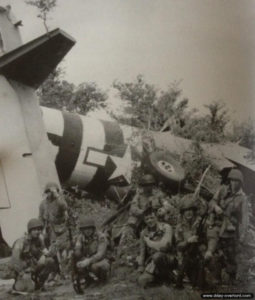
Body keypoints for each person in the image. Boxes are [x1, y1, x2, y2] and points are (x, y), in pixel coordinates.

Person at [206, 168, 248, 284]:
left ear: (240, 182)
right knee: (214, 251)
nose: (234, 183)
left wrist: (242, 236)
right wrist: (215, 207)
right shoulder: (222, 190)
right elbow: (212, 201)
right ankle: (216, 276)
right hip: (217, 225)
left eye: (236, 181)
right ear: (229, 180)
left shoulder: (242, 198)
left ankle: (232, 276)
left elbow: (244, 218)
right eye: (232, 180)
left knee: (230, 254)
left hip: (230, 229)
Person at [10, 218, 56, 294]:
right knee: (28, 289)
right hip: (23, 271)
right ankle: (19, 285)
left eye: (39, 229)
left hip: (33, 267)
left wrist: (52, 251)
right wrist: (22, 273)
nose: (38, 232)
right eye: (35, 230)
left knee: (50, 261)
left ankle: (39, 283)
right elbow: (15, 260)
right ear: (30, 231)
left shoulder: (39, 240)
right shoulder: (21, 241)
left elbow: (46, 252)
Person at [137, 208, 175, 288]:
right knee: (141, 281)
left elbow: (164, 246)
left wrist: (149, 243)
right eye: (147, 219)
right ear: (144, 221)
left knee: (157, 256)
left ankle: (167, 279)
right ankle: (160, 279)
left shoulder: (166, 227)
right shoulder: (144, 233)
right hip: (153, 262)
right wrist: (141, 266)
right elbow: (142, 252)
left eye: (152, 217)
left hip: (168, 259)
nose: (150, 221)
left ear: (156, 217)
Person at [175, 194, 206, 289]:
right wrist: (188, 241)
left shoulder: (201, 223)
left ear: (194, 211)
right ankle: (181, 280)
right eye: (186, 211)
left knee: (201, 282)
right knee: (188, 277)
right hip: (186, 256)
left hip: (200, 255)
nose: (188, 213)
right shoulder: (179, 227)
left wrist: (200, 242)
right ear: (183, 213)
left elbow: (207, 239)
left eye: (190, 210)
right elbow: (178, 246)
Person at [72, 216, 110, 293]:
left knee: (96, 267)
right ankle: (89, 281)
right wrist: (76, 253)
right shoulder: (81, 237)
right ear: (82, 230)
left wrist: (88, 261)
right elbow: (78, 247)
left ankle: (102, 280)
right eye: (85, 229)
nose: (87, 231)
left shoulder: (101, 237)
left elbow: (100, 254)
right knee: (77, 261)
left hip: (101, 259)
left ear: (93, 228)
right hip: (87, 259)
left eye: (89, 228)